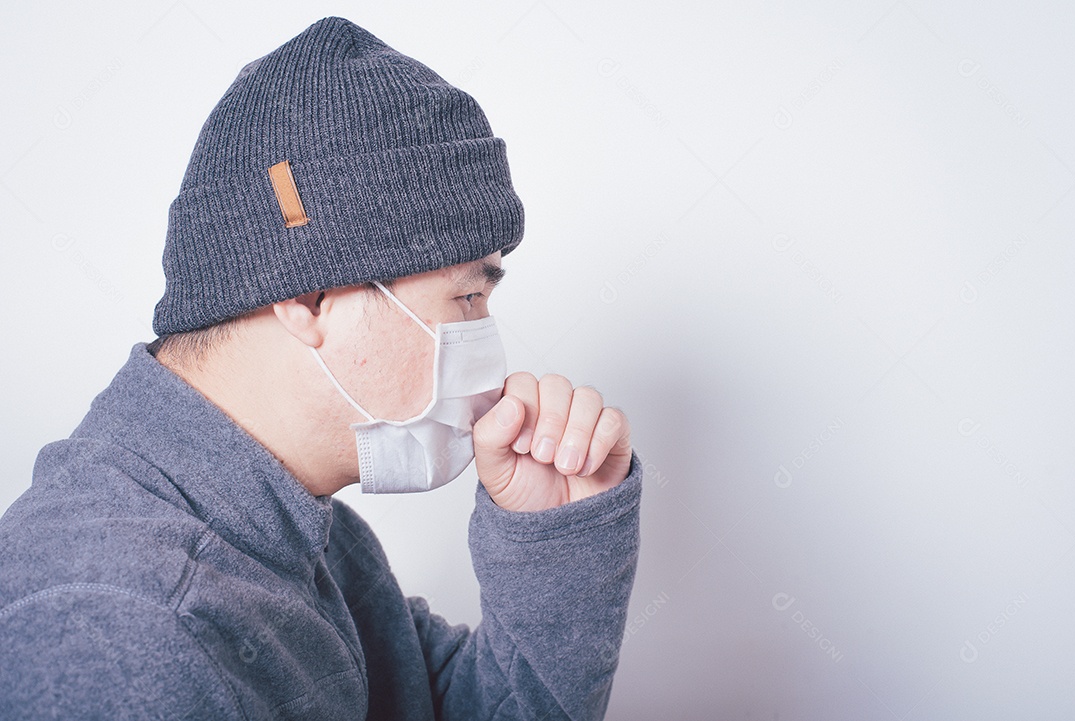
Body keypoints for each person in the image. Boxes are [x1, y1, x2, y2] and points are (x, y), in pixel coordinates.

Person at [0, 16, 642, 721]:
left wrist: (552, 539)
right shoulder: (122, 639)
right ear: (311, 299)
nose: (489, 351)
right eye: (466, 295)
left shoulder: (312, 537)